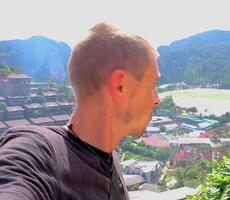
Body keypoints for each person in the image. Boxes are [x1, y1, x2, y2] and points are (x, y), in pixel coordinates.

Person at [0, 23, 160, 200]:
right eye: (152, 85)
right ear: (120, 86)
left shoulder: (109, 159)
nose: (156, 99)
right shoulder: (37, 152)